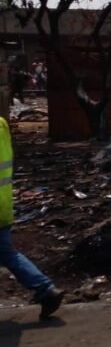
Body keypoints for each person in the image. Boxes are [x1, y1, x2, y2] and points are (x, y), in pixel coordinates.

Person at [0, 117, 63, 319]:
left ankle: (45, 289)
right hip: (3, 203)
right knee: (6, 252)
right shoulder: (1, 124)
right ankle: (45, 289)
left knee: (6, 252)